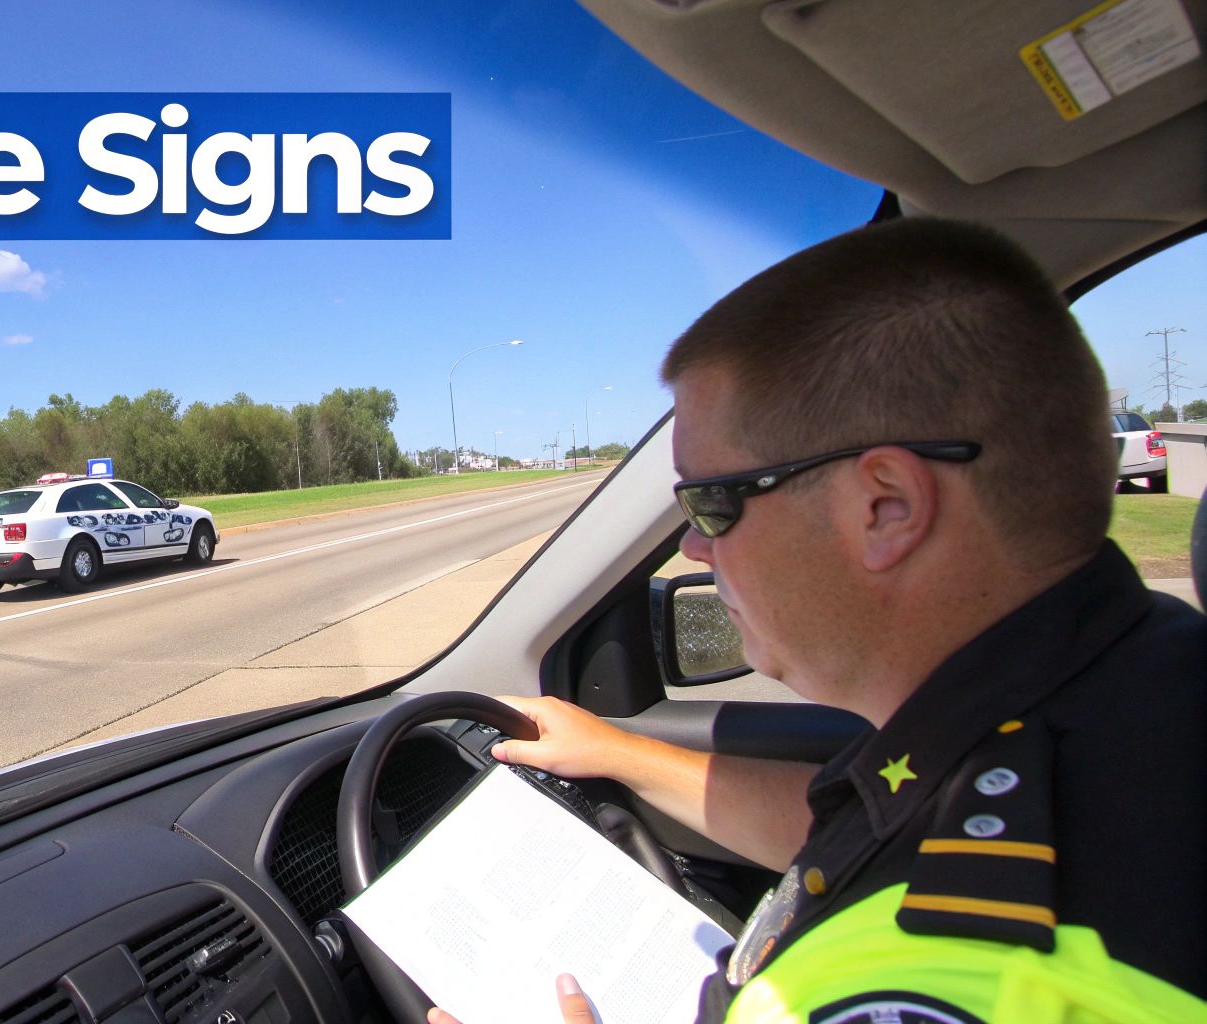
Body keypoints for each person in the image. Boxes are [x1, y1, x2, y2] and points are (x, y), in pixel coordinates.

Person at [431, 218, 1206, 1023]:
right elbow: (865, 827)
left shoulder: (944, 979)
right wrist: (618, 752)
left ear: (886, 508)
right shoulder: (1132, 677)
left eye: (712, 500)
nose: (695, 546)